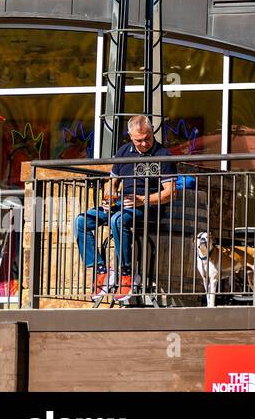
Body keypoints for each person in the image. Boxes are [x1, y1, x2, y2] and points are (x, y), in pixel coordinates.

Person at [74, 115, 178, 298]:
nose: (144, 144)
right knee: (81, 221)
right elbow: (111, 183)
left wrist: (142, 199)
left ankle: (127, 274)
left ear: (152, 131)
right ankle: (101, 271)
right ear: (130, 136)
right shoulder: (123, 152)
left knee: (117, 219)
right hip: (123, 204)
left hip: (149, 207)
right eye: (139, 140)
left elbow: (171, 193)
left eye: (147, 138)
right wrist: (109, 197)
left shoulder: (163, 155)